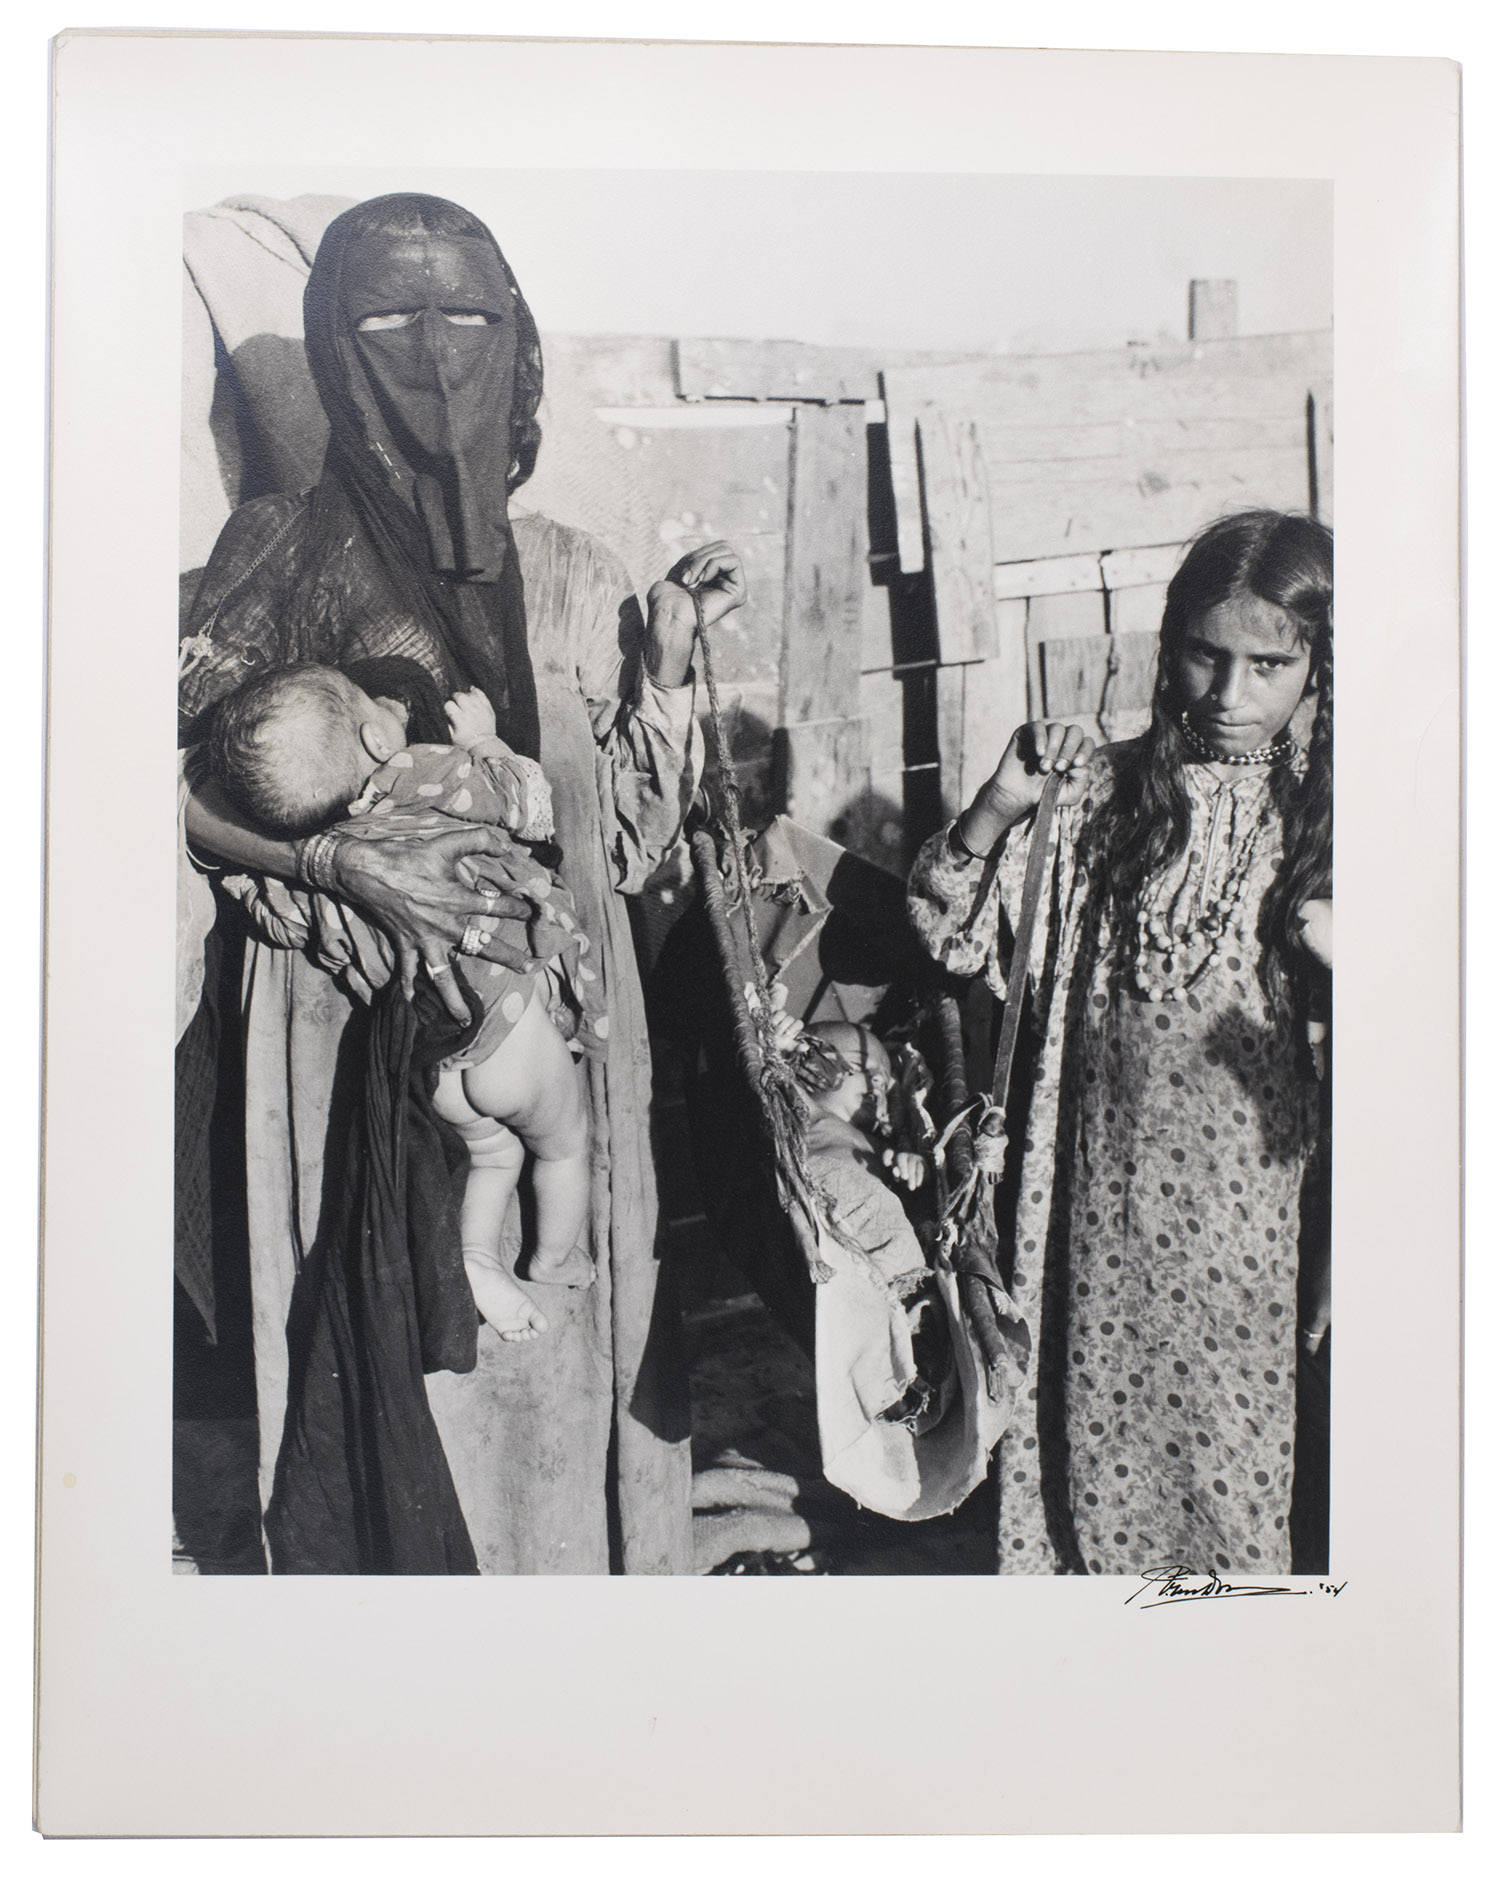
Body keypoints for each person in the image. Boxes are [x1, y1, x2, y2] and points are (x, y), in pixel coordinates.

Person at [176, 191, 745, 1573]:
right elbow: (170, 791)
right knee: (392, 1357)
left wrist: (668, 672)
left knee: (557, 1342)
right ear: (332, 342)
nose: (433, 355)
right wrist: (330, 857)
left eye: (467, 316)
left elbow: (630, 845)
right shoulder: (271, 552)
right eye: (386, 318)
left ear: (518, 340)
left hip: (560, 1020)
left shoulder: (575, 574)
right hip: (340, 1032)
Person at [906, 509, 1332, 1576]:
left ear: (1319, 669)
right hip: (1090, 1204)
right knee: (1081, 1458)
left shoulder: (1336, 828)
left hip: (1258, 1228)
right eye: (1204, 655)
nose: (1229, 695)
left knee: (1235, 1476)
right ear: (1169, 646)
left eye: (1269, 666)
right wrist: (999, 804)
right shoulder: (1099, 795)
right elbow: (953, 934)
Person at [208, 665, 612, 1342]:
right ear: (375, 738)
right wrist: (484, 741)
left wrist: (248, 884)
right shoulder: (422, 772)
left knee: (493, 1155)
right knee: (565, 1148)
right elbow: (530, 807)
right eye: (374, 701)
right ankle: (554, 1256)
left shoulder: (317, 872)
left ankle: (477, 1257)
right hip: (512, 1032)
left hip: (436, 1059)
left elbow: (282, 923)